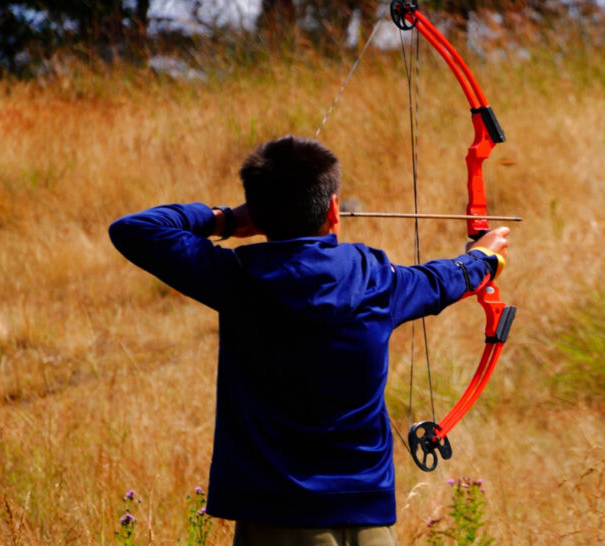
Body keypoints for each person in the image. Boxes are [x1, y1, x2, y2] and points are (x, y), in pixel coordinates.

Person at [108, 134, 511, 546]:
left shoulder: (237, 280)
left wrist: (226, 219)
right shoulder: (376, 280)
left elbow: (136, 230)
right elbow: (439, 281)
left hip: (276, 522)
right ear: (334, 210)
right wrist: (481, 259)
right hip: (371, 528)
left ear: (259, 218)